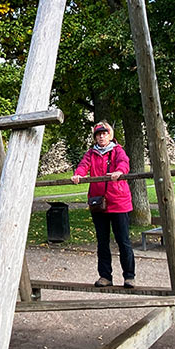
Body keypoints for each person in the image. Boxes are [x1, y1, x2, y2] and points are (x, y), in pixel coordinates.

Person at [70, 121, 135, 288]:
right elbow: (84, 166)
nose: (101, 136)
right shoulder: (91, 153)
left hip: (118, 201)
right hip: (99, 203)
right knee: (102, 241)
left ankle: (129, 276)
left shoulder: (117, 151)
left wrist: (119, 172)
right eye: (98, 134)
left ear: (110, 135)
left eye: (104, 133)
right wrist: (78, 175)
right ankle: (105, 276)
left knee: (123, 241)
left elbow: (123, 163)